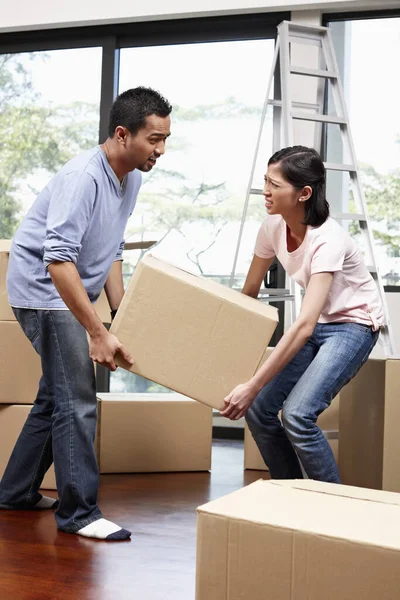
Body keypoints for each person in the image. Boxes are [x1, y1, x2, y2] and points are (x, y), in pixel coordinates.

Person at [0, 87, 172, 540]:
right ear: (122, 134)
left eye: (165, 139)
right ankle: (79, 515)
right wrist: (96, 332)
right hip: (43, 292)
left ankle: (15, 491)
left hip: (69, 289)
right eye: (154, 139)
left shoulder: (131, 176)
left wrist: (120, 312)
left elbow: (112, 248)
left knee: (55, 396)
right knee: (77, 398)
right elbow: (56, 261)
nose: (161, 150)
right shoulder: (84, 177)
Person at [221, 145, 382, 484]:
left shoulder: (328, 240)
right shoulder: (272, 228)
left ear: (304, 193)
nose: (265, 191)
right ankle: (289, 493)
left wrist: (252, 385)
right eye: (265, 180)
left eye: (275, 185)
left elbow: (304, 325)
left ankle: (331, 508)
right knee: (261, 410)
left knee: (297, 414)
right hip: (320, 322)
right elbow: (249, 293)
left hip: (353, 324)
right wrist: (224, 348)